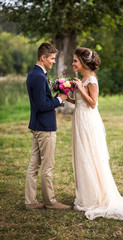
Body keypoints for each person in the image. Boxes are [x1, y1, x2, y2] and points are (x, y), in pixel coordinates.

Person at [67, 47, 123, 222]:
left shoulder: (91, 80)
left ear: (84, 62)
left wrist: (80, 88)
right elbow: (80, 102)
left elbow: (92, 103)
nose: (73, 63)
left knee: (90, 155)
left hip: (88, 122)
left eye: (75, 60)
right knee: (81, 156)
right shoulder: (82, 79)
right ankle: (86, 195)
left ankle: (96, 197)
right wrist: (65, 96)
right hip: (79, 119)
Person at [25, 43, 70, 210]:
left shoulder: (35, 74)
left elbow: (41, 102)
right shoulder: (38, 76)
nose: (53, 62)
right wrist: (59, 99)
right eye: (51, 59)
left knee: (34, 165)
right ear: (43, 58)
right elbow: (42, 105)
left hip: (38, 126)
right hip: (44, 128)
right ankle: (50, 201)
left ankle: (30, 201)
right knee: (47, 166)